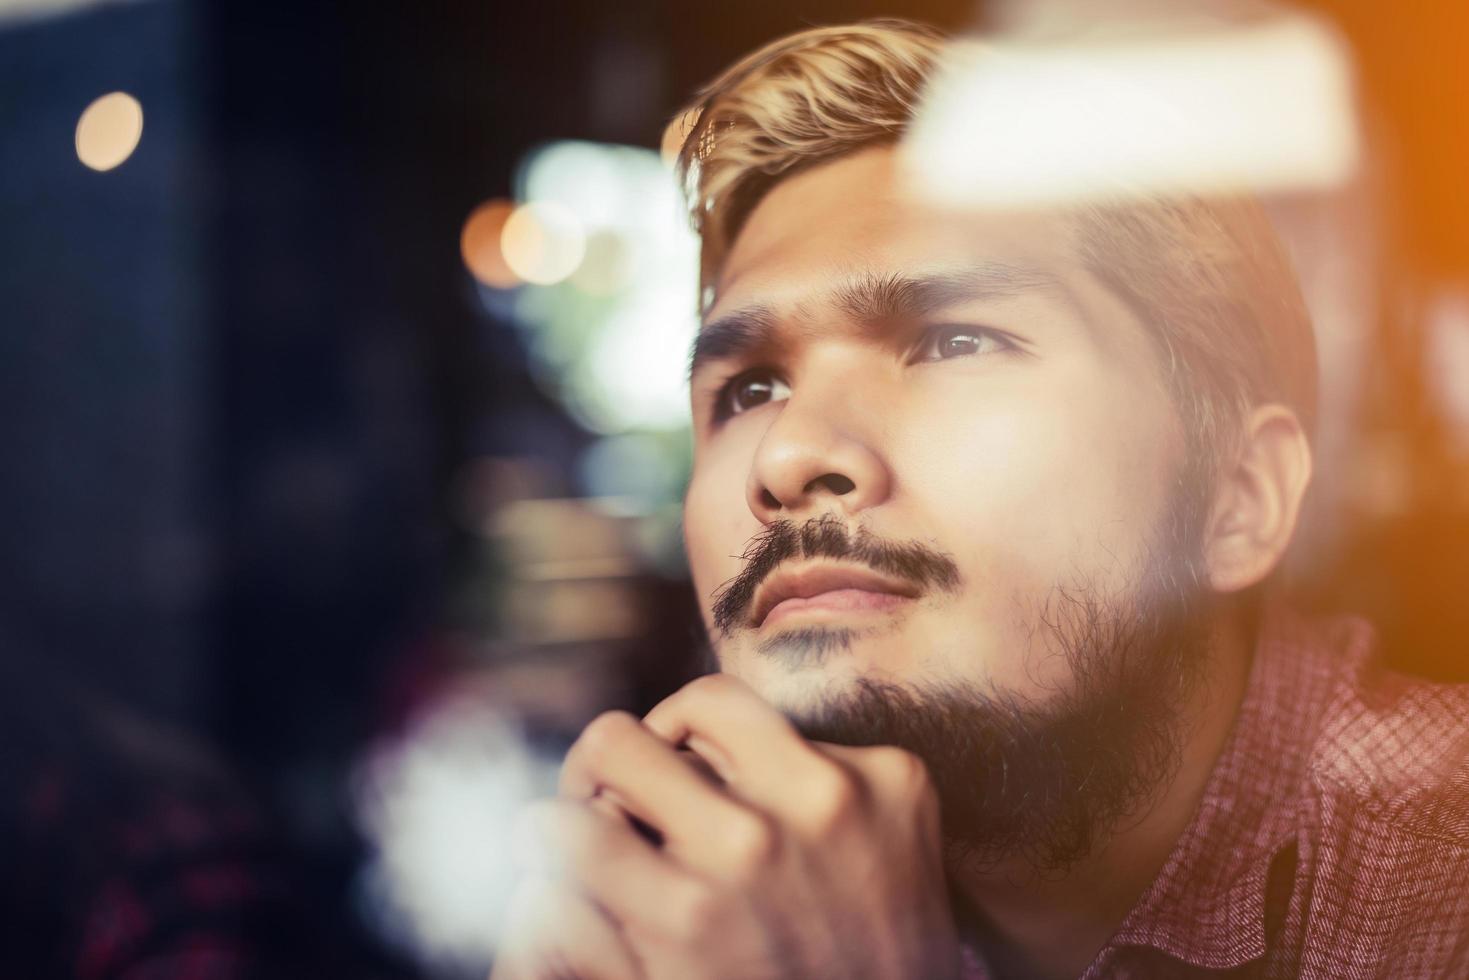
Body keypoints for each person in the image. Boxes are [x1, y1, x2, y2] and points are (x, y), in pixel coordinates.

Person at [491, 19, 1469, 980]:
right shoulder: (670, 918)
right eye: (749, 390)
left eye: (954, 341)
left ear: (1237, 496)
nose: (786, 454)